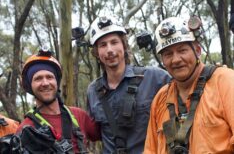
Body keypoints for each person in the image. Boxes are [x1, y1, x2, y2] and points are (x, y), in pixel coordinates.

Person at [144, 16, 234, 154]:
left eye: (182, 50)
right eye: (168, 54)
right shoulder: (161, 99)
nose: (176, 60)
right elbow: (150, 150)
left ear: (197, 50)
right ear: (162, 60)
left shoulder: (224, 81)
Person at [87, 16, 171, 154]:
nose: (109, 50)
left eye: (114, 42)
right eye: (103, 45)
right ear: (96, 52)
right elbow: (95, 133)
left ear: (124, 45)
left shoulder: (154, 77)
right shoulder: (93, 91)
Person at [17, 49, 100, 153]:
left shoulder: (79, 116)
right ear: (30, 86)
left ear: (57, 82)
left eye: (50, 77)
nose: (45, 83)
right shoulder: (26, 129)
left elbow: (109, 134)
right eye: (38, 78)